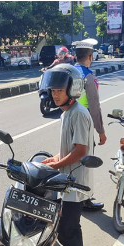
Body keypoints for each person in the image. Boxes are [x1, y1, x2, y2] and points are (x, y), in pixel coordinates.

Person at [41, 63, 94, 246]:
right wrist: (55, 158)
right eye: (53, 90)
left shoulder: (78, 113)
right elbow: (69, 147)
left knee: (67, 230)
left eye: (59, 91)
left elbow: (80, 151)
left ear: (72, 89)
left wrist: (55, 166)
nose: (55, 95)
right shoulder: (66, 113)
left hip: (75, 183)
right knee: (68, 228)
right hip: (67, 181)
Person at [74, 38, 106, 211]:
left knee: (72, 158)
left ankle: (73, 196)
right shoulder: (88, 76)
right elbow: (94, 106)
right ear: (90, 57)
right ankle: (85, 200)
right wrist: (100, 131)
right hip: (84, 120)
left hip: (68, 119)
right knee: (86, 161)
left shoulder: (68, 72)